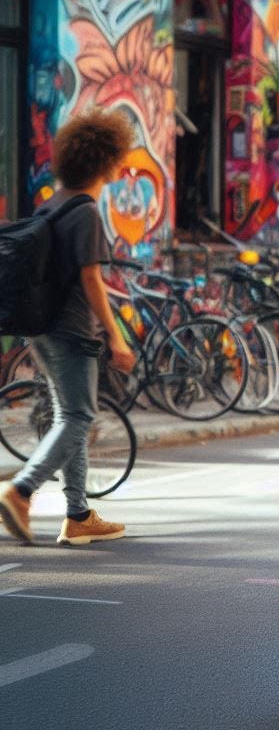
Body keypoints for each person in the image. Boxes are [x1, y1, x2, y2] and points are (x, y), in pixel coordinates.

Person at [0, 110, 136, 546]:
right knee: (80, 416)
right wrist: (116, 336)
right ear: (106, 160)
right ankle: (21, 490)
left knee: (69, 415)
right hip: (73, 331)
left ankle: (77, 515)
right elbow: (89, 277)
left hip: (41, 327)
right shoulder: (86, 212)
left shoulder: (54, 202)